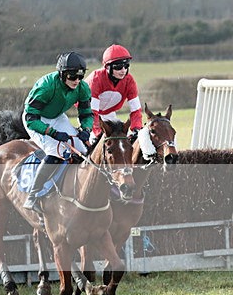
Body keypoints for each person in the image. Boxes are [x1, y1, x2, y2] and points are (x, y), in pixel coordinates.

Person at [22, 51, 93, 211]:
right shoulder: (46, 85)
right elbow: (31, 119)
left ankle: (72, 190)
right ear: (62, 74)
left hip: (58, 116)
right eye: (72, 76)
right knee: (55, 151)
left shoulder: (82, 88)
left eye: (80, 76)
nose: (76, 81)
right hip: (36, 119)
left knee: (82, 150)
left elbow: (86, 114)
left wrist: (86, 129)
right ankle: (32, 196)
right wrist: (52, 133)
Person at [85, 44, 144, 145]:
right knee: (93, 141)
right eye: (118, 67)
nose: (123, 70)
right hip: (86, 113)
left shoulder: (129, 80)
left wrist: (136, 129)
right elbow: (92, 113)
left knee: (120, 141)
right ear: (107, 67)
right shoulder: (96, 79)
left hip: (108, 113)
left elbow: (136, 110)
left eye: (126, 66)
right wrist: (97, 133)